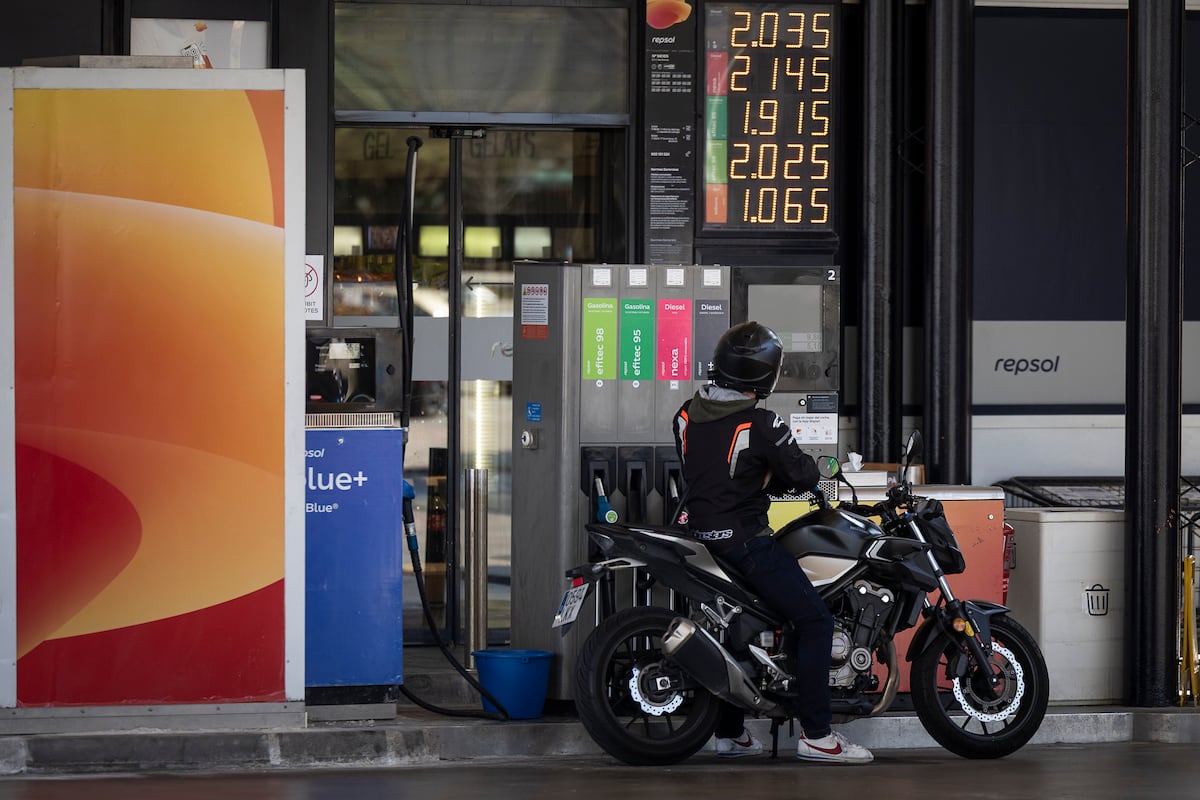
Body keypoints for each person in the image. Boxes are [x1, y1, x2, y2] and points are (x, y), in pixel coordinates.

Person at [672, 321, 873, 765]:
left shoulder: (685, 414)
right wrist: (820, 483)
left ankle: (730, 734)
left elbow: (719, 472)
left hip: (700, 538)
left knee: (737, 628)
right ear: (766, 374)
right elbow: (800, 471)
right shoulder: (762, 422)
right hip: (745, 541)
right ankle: (818, 735)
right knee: (815, 621)